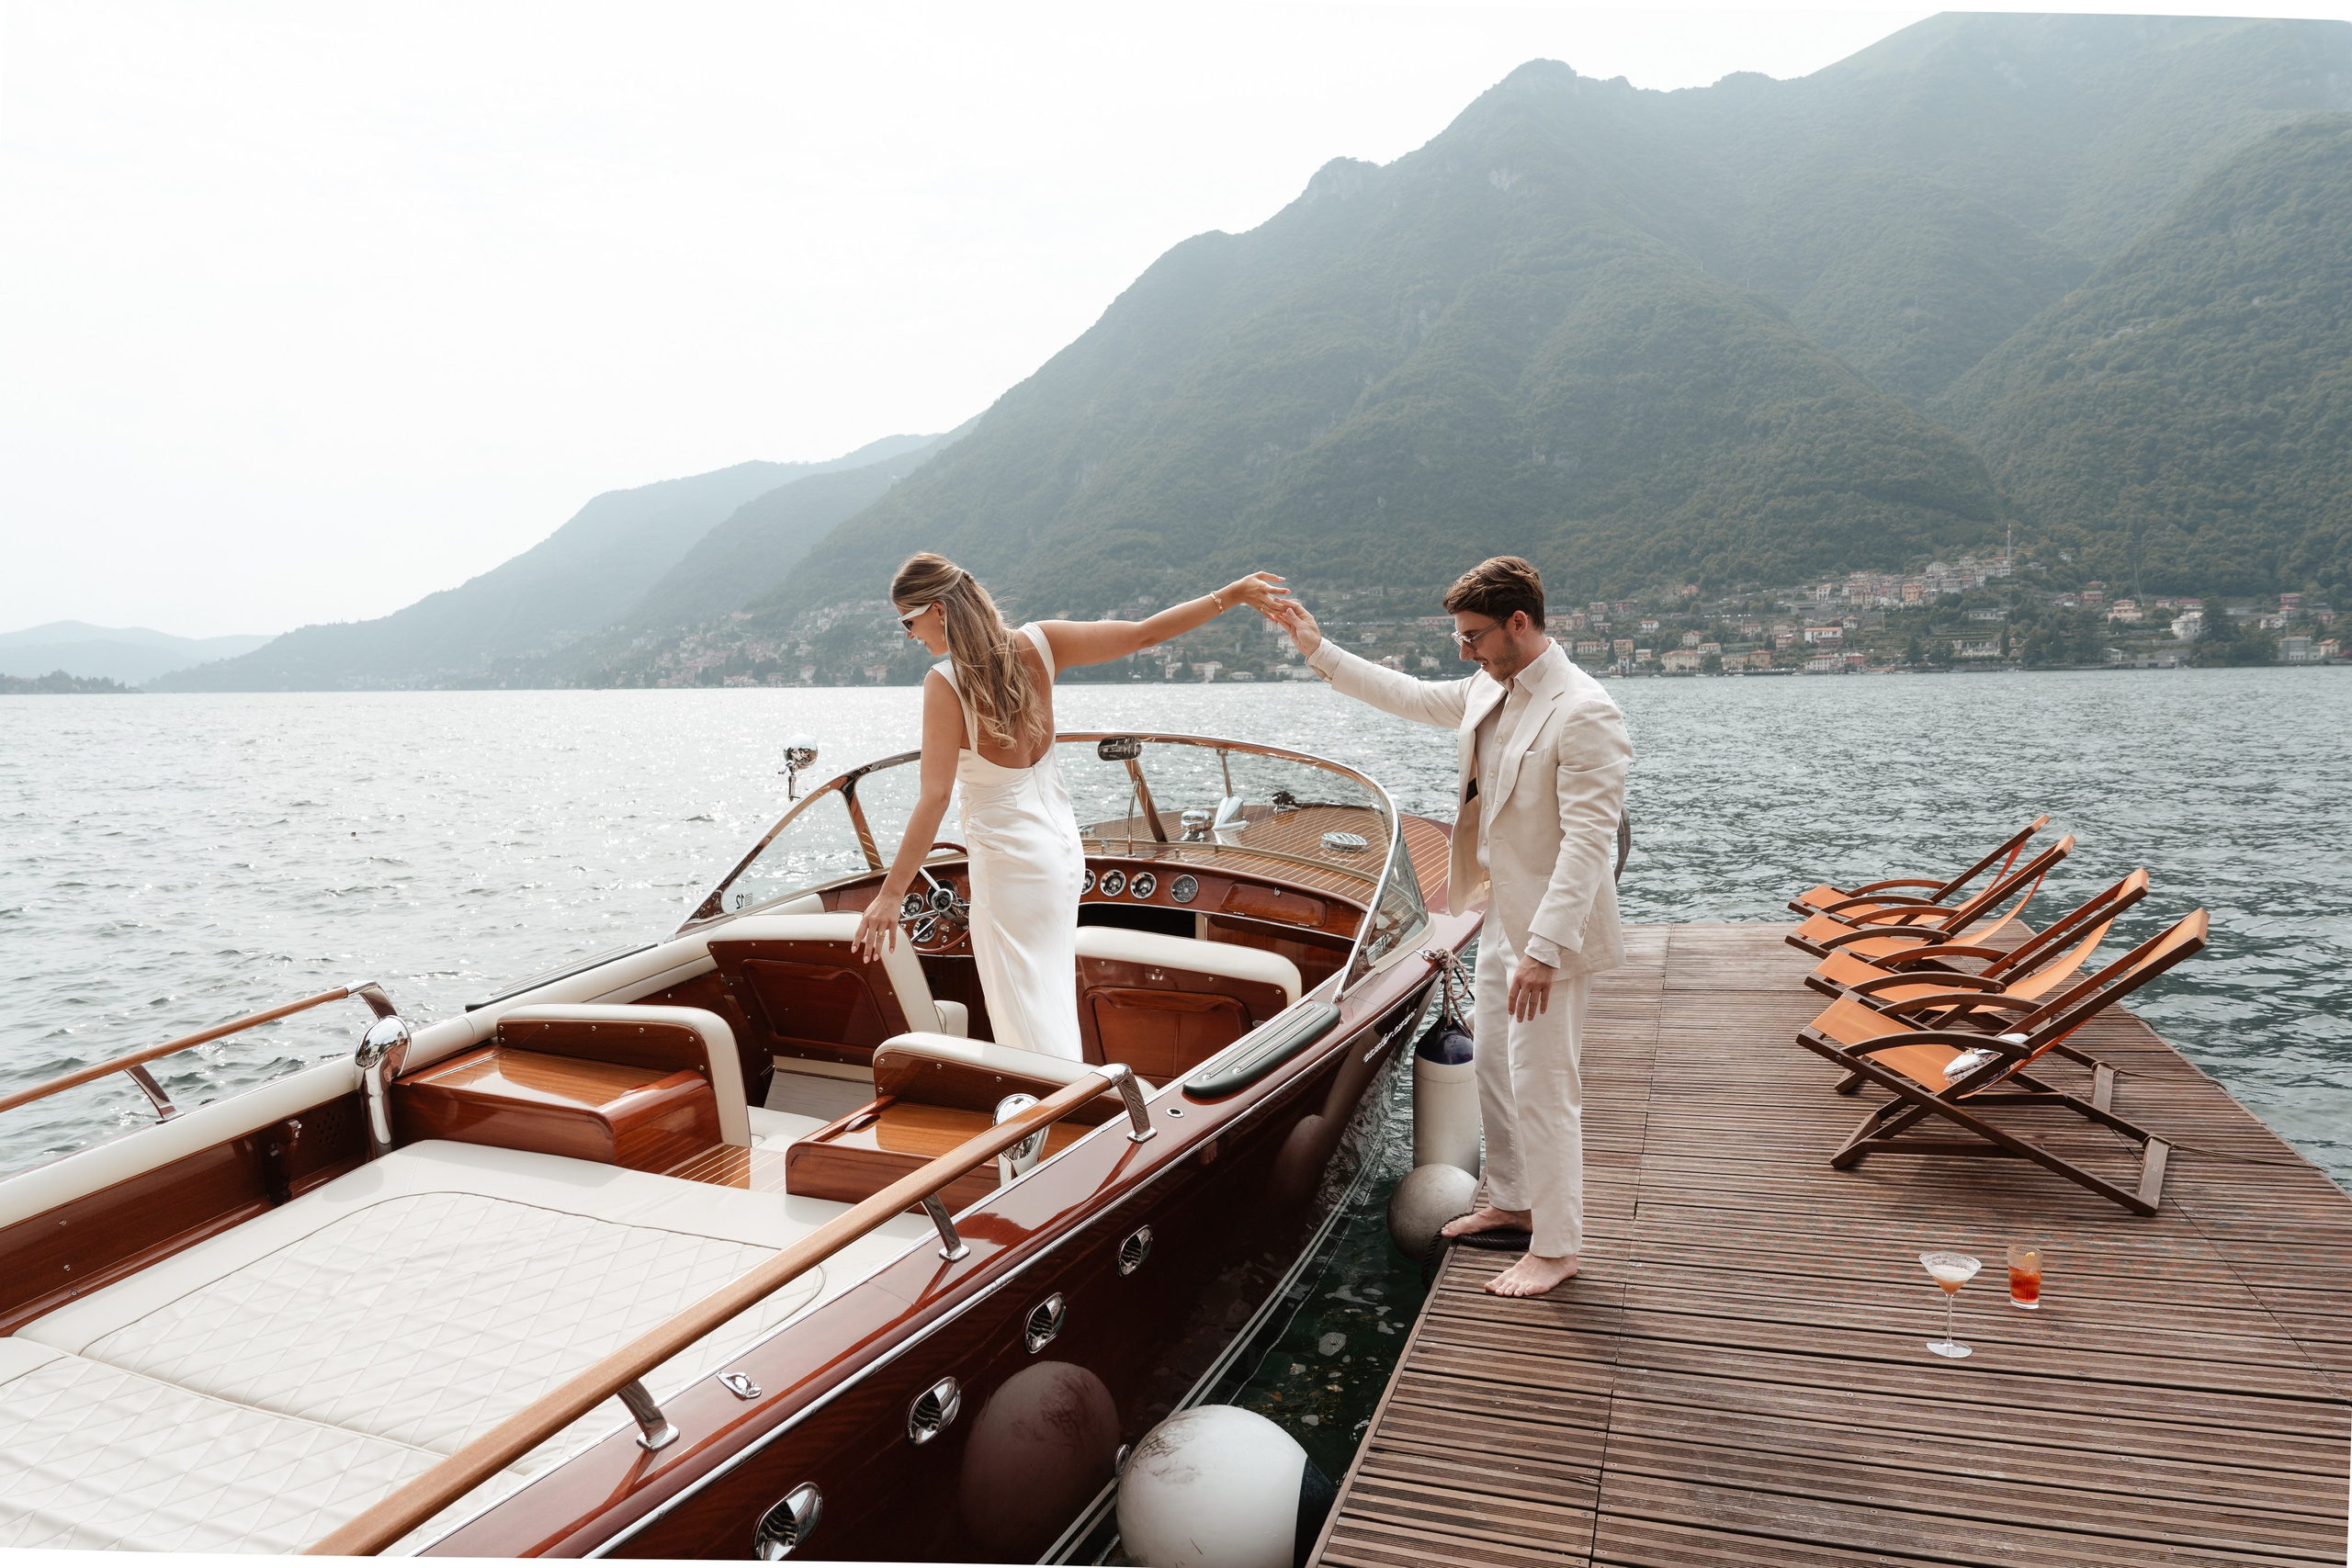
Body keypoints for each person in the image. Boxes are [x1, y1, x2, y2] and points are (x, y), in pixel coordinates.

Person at [1270, 557, 1629, 1297]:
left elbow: (1590, 843)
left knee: (1544, 1084)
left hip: (1549, 939)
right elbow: (1405, 695)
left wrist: (1546, 950)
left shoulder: (1584, 709)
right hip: (1499, 914)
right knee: (1495, 1067)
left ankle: (1558, 1247)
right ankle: (1512, 1200)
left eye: (1472, 635)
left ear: (1518, 624)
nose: (1462, 650)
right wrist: (1317, 648)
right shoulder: (1485, 689)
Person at [854, 553, 1291, 1058]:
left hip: (1009, 869)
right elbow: (1144, 634)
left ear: (937, 609)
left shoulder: (945, 683)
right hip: (1061, 854)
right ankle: (1073, 1106)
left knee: (1025, 1020)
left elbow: (934, 796)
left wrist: (891, 894)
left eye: (908, 621)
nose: (909, 634)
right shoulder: (1040, 642)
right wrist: (1230, 595)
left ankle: (1062, 1119)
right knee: (1049, 997)